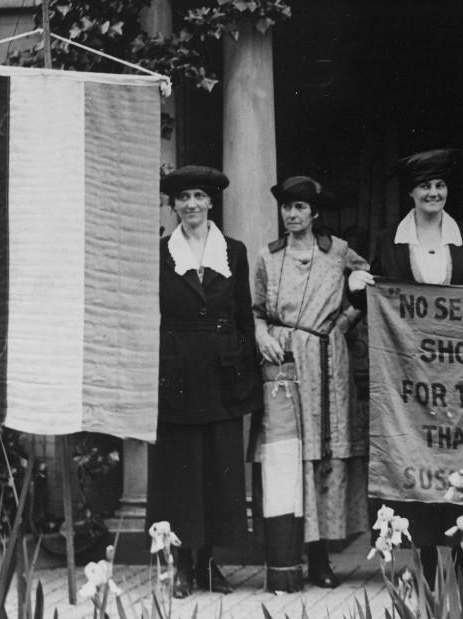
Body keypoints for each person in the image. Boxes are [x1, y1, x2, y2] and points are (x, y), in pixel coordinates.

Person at [355, 148, 463, 584]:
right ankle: (426, 556)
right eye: (424, 187)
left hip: (462, 373)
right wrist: (356, 285)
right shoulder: (387, 241)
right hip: (410, 375)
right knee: (416, 455)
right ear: (412, 193)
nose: (433, 193)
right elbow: (376, 300)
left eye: (439, 186)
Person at [251, 176, 372, 592]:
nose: (292, 214)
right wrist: (263, 336)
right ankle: (290, 557)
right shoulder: (268, 259)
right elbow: (255, 311)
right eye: (287, 207)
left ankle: (321, 557)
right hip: (284, 362)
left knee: (323, 455)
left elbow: (367, 291)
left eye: (300, 207)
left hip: (326, 360)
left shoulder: (337, 252)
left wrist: (342, 324)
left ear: (314, 212)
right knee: (290, 456)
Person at [149, 165, 262, 598]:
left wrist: (248, 377)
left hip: (222, 374)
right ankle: (179, 565)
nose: (191, 205)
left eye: (198, 196)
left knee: (220, 468)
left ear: (212, 202)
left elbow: (243, 315)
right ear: (173, 205)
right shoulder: (160, 252)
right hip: (176, 373)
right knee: (179, 472)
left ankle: (208, 563)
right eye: (183, 198)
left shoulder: (233, 250)